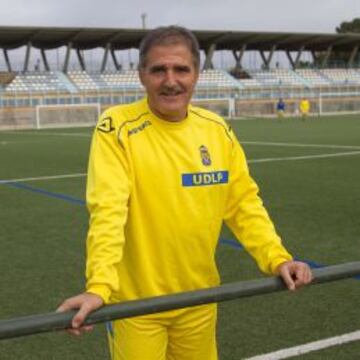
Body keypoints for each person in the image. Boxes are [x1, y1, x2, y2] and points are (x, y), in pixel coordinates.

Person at [58, 26, 312, 360]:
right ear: (141, 76)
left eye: (181, 69)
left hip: (199, 300)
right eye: (158, 69)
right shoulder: (116, 127)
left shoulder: (217, 129)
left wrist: (276, 257)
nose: (170, 80)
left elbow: (242, 204)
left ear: (197, 74)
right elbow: (108, 210)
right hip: (136, 306)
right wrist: (100, 286)